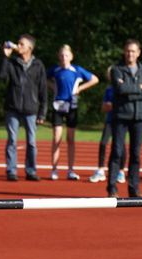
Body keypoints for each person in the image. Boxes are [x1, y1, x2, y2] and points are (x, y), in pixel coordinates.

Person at [106, 39, 142, 197]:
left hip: (139, 117)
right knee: (117, 152)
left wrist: (129, 92)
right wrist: (138, 89)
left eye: (133, 51)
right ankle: (112, 188)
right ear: (123, 52)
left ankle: (134, 188)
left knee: (136, 154)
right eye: (127, 51)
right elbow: (119, 89)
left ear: (138, 53)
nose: (130, 54)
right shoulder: (117, 70)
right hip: (121, 116)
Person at [0, 34, 47, 181]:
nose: (19, 45)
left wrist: (42, 112)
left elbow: (43, 89)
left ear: (30, 47)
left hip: (31, 109)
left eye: (22, 44)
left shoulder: (38, 65)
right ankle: (11, 171)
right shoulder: (12, 63)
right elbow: (1, 75)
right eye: (18, 43)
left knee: (31, 142)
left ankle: (31, 171)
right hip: (13, 107)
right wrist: (5, 57)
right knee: (12, 140)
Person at [46, 44, 99, 180]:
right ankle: (54, 169)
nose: (64, 58)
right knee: (57, 138)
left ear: (71, 57)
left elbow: (94, 79)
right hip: (58, 106)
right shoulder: (55, 70)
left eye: (66, 55)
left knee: (70, 139)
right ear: (59, 57)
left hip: (72, 107)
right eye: (62, 56)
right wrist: (52, 86)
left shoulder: (77, 70)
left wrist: (80, 89)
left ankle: (70, 169)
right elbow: (41, 78)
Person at [89, 66, 126, 184]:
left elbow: (125, 106)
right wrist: (116, 105)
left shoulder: (124, 89)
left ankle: (121, 171)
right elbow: (104, 107)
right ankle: (100, 170)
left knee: (121, 146)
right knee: (103, 143)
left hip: (121, 121)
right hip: (110, 120)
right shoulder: (109, 90)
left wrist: (113, 105)